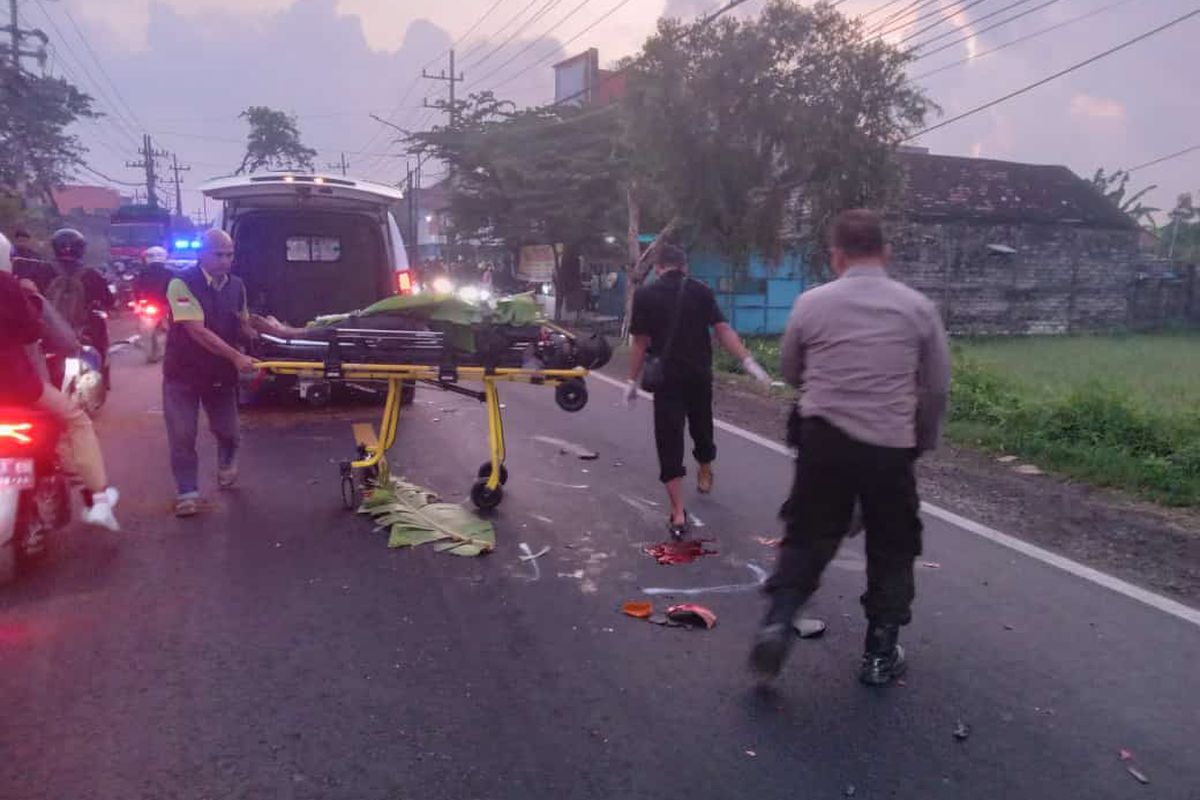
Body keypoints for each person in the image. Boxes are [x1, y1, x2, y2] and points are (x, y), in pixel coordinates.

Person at [749, 209, 951, 687]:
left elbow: (794, 371)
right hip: (888, 446)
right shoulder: (918, 308)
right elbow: (936, 388)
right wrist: (920, 441)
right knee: (893, 543)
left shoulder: (811, 304)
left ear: (836, 256)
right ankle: (880, 653)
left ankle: (779, 618)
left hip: (823, 441)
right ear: (886, 252)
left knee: (808, 533)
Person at [625, 244, 771, 537]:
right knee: (702, 428)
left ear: (657, 267)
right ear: (685, 266)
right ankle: (705, 465)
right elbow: (722, 329)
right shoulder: (701, 291)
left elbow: (640, 342)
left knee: (669, 441)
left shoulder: (644, 295)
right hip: (699, 376)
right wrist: (748, 361)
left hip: (666, 381)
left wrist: (631, 380)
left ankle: (678, 513)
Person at [162, 229, 301, 517]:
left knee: (228, 432)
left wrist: (277, 333)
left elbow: (243, 323)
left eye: (229, 255)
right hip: (182, 375)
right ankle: (187, 493)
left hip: (220, 375)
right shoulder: (181, 284)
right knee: (183, 435)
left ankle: (227, 461)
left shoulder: (237, 286)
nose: (225, 260)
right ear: (202, 254)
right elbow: (197, 332)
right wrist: (237, 356)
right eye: (219, 254)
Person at [0, 234, 120, 531]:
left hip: (47, 361)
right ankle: (97, 497)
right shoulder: (12, 286)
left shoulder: (40, 272)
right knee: (75, 421)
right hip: (19, 383)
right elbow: (32, 332)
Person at [10, 228, 54, 293]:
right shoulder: (10, 253)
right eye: (20, 241)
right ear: (15, 240)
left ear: (29, 241)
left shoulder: (35, 257)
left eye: (25, 241)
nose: (22, 244)